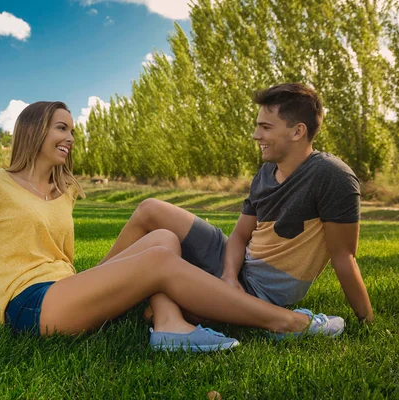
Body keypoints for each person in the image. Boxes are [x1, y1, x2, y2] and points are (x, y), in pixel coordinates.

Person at [0, 100, 344, 353]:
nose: (69, 138)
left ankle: (169, 325)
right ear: (34, 131)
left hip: (67, 291)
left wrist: (107, 278)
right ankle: (287, 322)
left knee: (163, 237)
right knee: (161, 259)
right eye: (60, 128)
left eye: (71, 132)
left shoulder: (64, 190)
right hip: (30, 307)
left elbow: (63, 262)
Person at [98, 83, 374, 328]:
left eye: (265, 127)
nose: (256, 135)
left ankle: (175, 305)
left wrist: (366, 320)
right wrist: (229, 276)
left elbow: (344, 257)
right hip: (236, 266)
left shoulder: (333, 176)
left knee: (156, 302)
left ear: (297, 131)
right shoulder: (266, 173)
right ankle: (89, 284)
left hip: (259, 289)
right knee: (150, 209)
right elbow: (240, 236)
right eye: (257, 126)